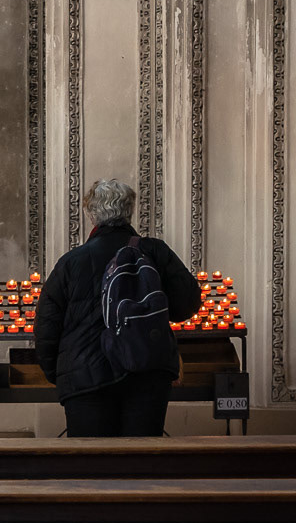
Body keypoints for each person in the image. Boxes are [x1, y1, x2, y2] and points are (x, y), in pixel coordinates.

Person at [33, 179, 202, 437]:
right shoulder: (155, 252)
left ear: (92, 215)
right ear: (129, 211)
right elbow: (187, 304)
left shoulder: (71, 263)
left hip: (85, 380)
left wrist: (60, 373)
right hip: (147, 373)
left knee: (90, 466)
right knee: (141, 463)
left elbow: (46, 324)